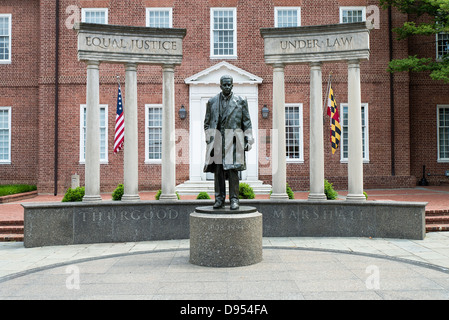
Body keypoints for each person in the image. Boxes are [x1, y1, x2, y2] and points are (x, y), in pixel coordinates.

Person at [203, 75, 254, 210]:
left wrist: (248, 139)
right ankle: (219, 199)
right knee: (218, 172)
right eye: (224, 85)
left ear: (232, 85)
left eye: (229, 85)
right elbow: (207, 123)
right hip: (218, 141)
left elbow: (247, 122)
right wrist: (209, 138)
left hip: (234, 141)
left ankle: (234, 200)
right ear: (220, 85)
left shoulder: (241, 101)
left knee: (233, 172)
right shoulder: (212, 101)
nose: (227, 87)